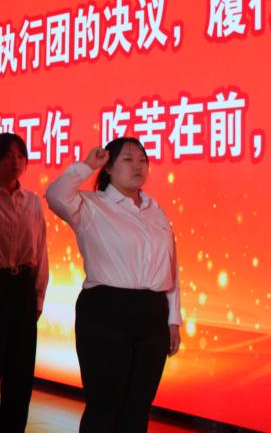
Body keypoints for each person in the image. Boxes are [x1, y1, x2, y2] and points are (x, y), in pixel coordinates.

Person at [45, 138, 181, 432]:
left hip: (153, 313)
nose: (138, 166)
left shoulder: (154, 209)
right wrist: (86, 166)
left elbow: (170, 267)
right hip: (106, 311)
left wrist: (173, 319)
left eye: (143, 160)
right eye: (128, 159)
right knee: (105, 404)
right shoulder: (91, 205)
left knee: (139, 405)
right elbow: (54, 194)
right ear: (108, 167)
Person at [0, 132, 48, 433]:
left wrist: (38, 296)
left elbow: (41, 251)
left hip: (23, 287)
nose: (15, 162)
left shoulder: (32, 202)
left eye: (20, 156)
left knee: (20, 371)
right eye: (8, 156)